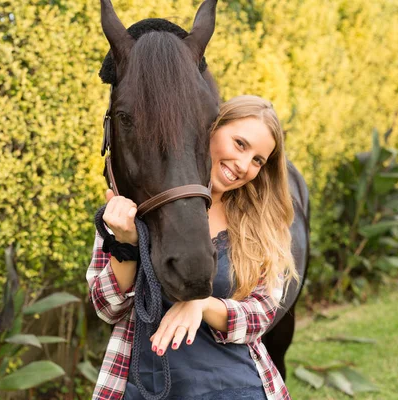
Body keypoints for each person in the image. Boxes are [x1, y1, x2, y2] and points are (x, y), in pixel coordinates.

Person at [87, 95, 299, 400]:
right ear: (209, 129)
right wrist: (126, 244)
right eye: (240, 144)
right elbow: (107, 307)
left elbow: (261, 315)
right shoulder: (136, 207)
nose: (243, 166)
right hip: (144, 387)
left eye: (258, 160)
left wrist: (200, 303)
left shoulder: (260, 222)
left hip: (235, 388)